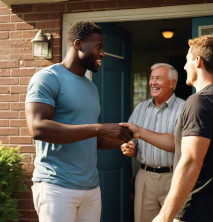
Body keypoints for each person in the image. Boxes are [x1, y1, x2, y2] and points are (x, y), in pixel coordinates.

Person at [121, 35, 213, 222]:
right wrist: (137, 136)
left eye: (187, 61)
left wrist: (165, 216)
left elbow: (192, 161)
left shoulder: (198, 102)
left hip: (195, 212)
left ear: (197, 61)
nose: (185, 67)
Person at [24, 21, 132, 222]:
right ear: (77, 44)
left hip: (91, 189)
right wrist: (99, 128)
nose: (103, 53)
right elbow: (37, 128)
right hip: (56, 187)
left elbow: (90, 139)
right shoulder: (48, 78)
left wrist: (122, 140)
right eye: (98, 47)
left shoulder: (90, 87)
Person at [118, 63, 186, 222]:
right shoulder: (140, 108)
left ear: (172, 83)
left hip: (174, 177)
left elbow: (177, 144)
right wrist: (129, 148)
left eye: (159, 78)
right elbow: (131, 141)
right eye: (151, 78)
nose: (153, 83)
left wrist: (141, 133)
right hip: (145, 178)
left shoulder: (185, 108)